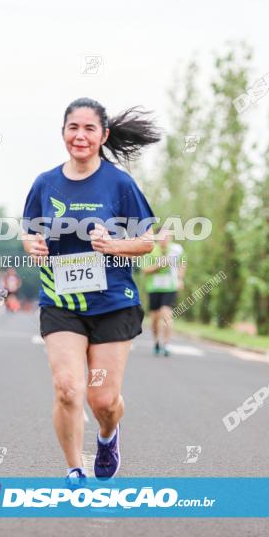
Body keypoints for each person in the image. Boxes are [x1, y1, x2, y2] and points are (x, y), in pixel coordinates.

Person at [22, 97, 159, 484]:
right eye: (73, 128)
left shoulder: (119, 183)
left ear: (103, 135)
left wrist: (113, 245)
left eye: (89, 129)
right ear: (63, 132)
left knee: (102, 400)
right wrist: (31, 245)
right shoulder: (45, 183)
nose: (80, 136)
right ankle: (74, 469)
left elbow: (148, 241)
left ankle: (107, 435)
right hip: (61, 301)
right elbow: (29, 231)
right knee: (67, 388)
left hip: (113, 303)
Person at [142, 232, 185, 356]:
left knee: (166, 315)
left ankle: (166, 344)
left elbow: (182, 264)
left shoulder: (176, 249)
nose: (165, 239)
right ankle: (156, 342)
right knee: (155, 319)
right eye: (162, 237)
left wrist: (180, 278)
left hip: (170, 287)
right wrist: (159, 265)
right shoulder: (151, 250)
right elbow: (145, 270)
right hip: (154, 288)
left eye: (168, 237)